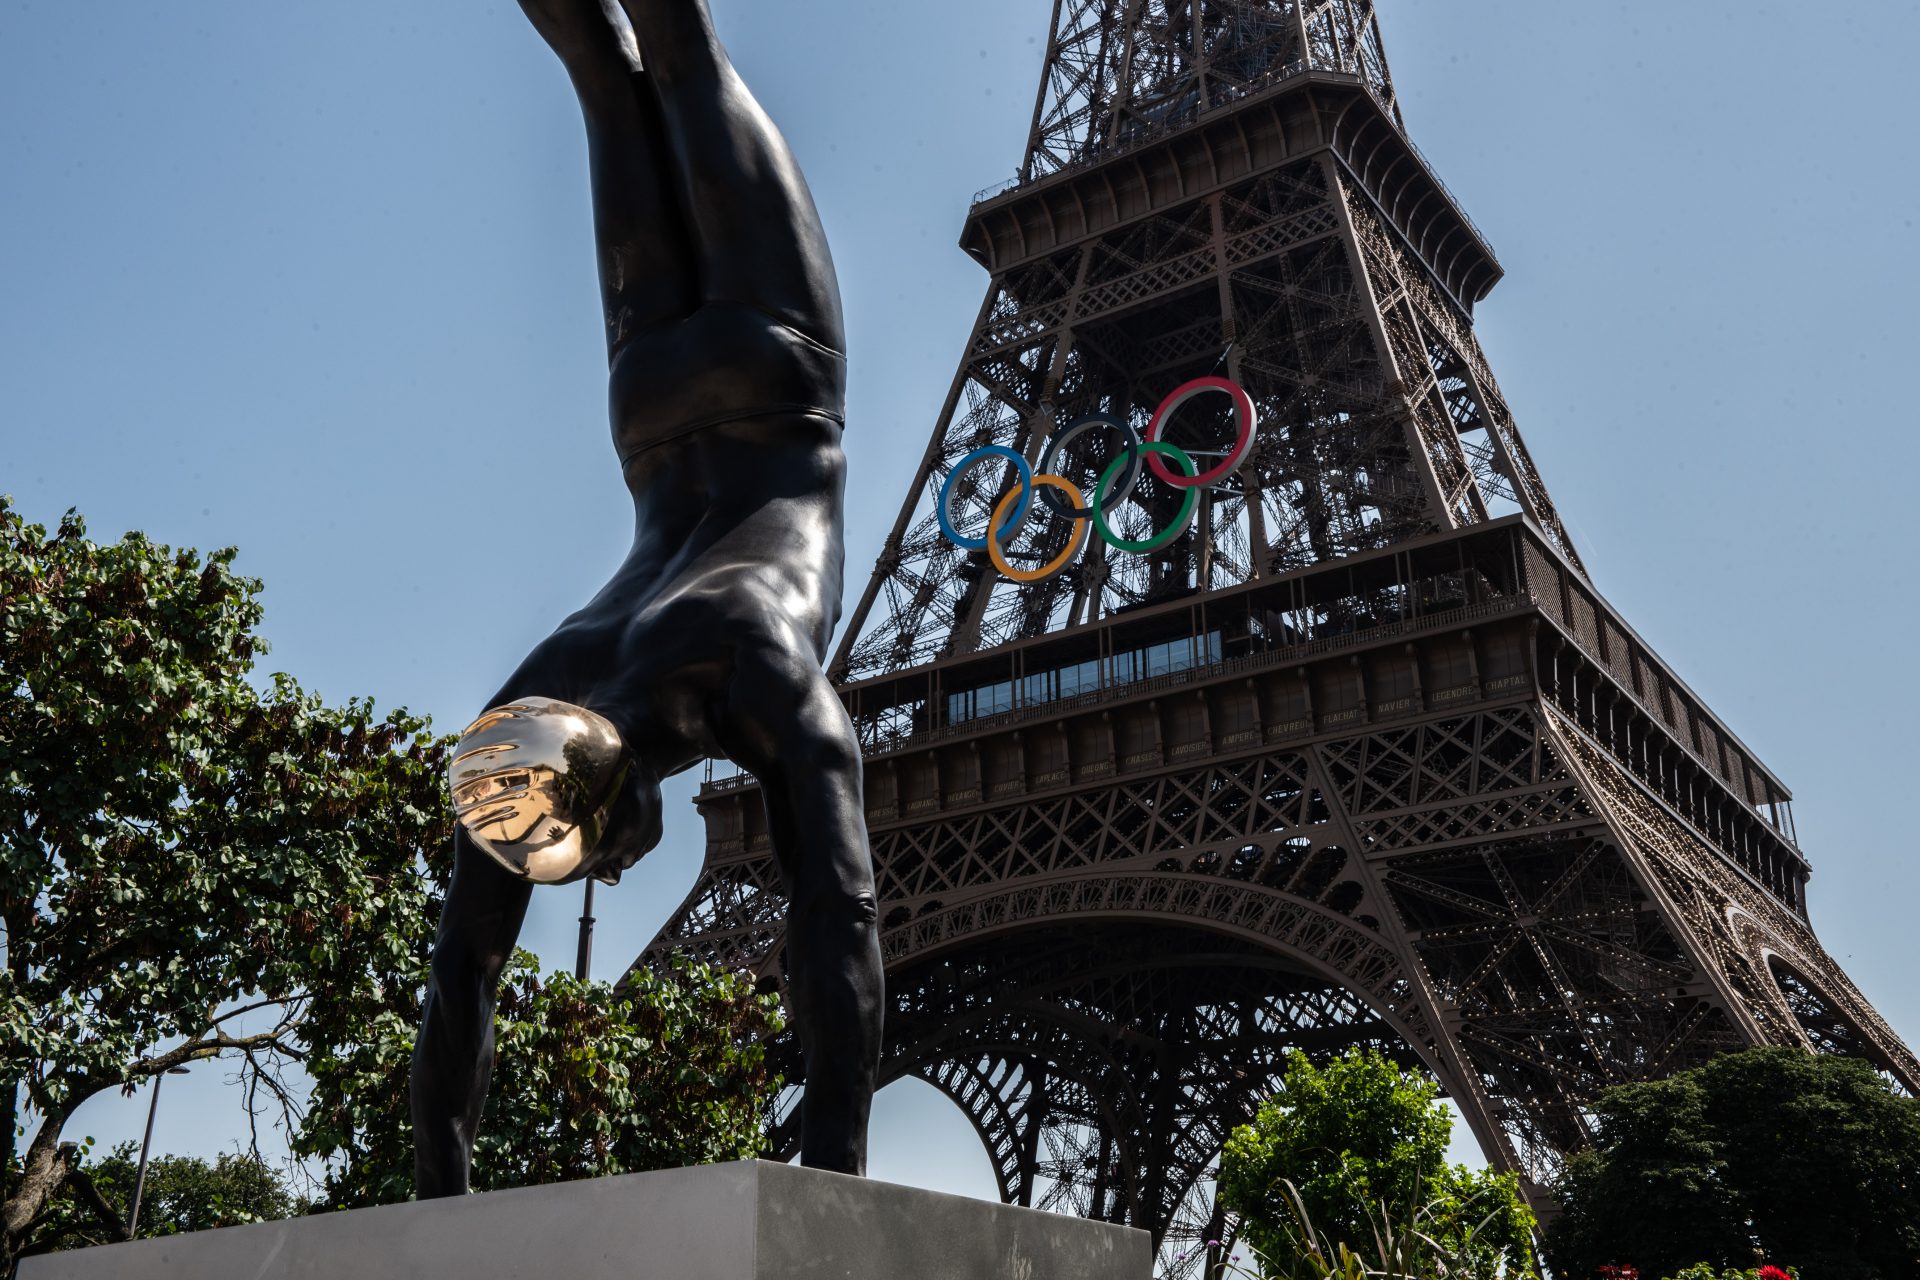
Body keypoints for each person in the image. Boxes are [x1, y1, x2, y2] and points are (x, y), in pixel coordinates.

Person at [410, 0, 883, 1194]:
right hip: (649, 403)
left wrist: (835, 1162)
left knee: (678, 45)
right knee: (602, 60)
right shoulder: (543, 686)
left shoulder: (748, 659)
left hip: (781, 381)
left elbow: (842, 914)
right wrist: (436, 1185)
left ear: (623, 808)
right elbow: (459, 966)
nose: (613, 869)